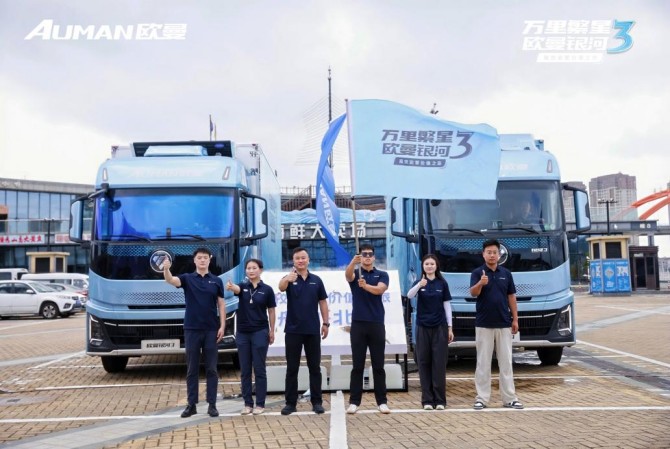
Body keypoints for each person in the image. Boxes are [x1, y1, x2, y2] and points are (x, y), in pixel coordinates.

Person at [163, 247, 225, 418]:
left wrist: (222, 325)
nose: (202, 260)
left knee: (211, 368)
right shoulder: (187, 278)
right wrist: (166, 269)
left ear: (210, 259)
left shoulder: (216, 281)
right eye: (199, 257)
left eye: (205, 257)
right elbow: (171, 280)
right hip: (191, 329)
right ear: (195, 260)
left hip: (211, 329)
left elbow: (221, 304)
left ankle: (212, 404)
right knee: (192, 369)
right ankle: (191, 405)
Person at [469, 239, 524, 410]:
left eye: (494, 252)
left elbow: (511, 297)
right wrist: (481, 283)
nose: (492, 255)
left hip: (504, 323)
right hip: (484, 324)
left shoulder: (506, 273)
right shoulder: (477, 273)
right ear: (483, 254)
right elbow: (473, 293)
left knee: (506, 363)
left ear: (499, 255)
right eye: (489, 252)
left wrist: (515, 319)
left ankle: (510, 398)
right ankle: (482, 398)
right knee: (483, 363)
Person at [278, 247, 329, 415]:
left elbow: (323, 302)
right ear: (293, 261)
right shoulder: (289, 278)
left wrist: (326, 323)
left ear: (308, 260)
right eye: (297, 258)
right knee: (292, 368)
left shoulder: (317, 280)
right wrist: (287, 278)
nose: (300, 260)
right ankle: (290, 403)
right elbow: (280, 287)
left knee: (314, 368)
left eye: (303, 258)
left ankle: (317, 402)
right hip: (293, 330)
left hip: (312, 330)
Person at [344, 244, 391, 414]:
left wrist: (366, 286)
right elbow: (347, 275)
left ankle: (382, 401)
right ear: (360, 257)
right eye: (364, 254)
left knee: (378, 365)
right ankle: (354, 402)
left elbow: (380, 290)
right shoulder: (356, 273)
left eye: (370, 254)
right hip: (358, 324)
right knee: (357, 365)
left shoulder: (382, 274)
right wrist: (352, 262)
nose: (367, 257)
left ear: (374, 257)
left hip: (376, 323)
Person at [226, 259, 276, 416]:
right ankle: (248, 403)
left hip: (260, 332)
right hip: (243, 333)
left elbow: (271, 311)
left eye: (254, 268)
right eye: (248, 268)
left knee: (259, 369)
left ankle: (260, 404)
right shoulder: (242, 286)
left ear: (260, 270)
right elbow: (236, 289)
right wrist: (231, 287)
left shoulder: (267, 290)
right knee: (245, 370)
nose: (251, 271)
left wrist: (272, 330)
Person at [407, 254, 454, 411]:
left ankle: (440, 400)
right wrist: (419, 285)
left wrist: (450, 327)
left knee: (439, 363)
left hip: (440, 327)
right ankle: (427, 400)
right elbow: (409, 295)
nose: (429, 266)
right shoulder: (419, 282)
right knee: (424, 362)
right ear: (423, 266)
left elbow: (447, 306)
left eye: (432, 264)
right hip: (422, 327)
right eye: (426, 264)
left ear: (436, 266)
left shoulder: (442, 283)